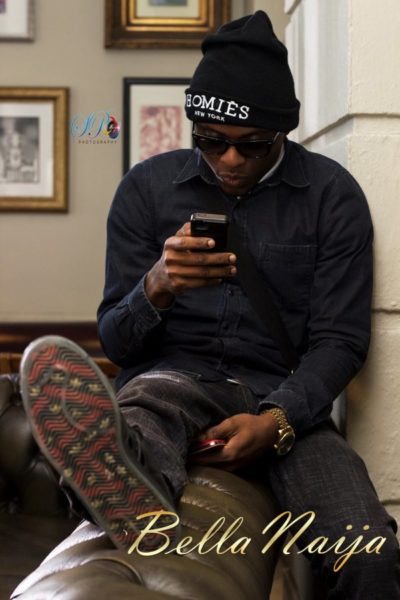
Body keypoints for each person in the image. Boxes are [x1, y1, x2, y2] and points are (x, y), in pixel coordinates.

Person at [20, 10, 400, 598]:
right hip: (174, 379)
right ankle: (120, 485)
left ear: (283, 132)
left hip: (282, 395)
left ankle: (124, 472)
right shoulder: (147, 189)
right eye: (211, 141)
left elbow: (341, 342)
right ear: (194, 125)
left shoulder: (332, 197)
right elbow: (117, 342)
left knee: (368, 555)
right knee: (147, 410)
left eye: (252, 146)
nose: (229, 161)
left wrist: (276, 421)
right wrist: (157, 286)